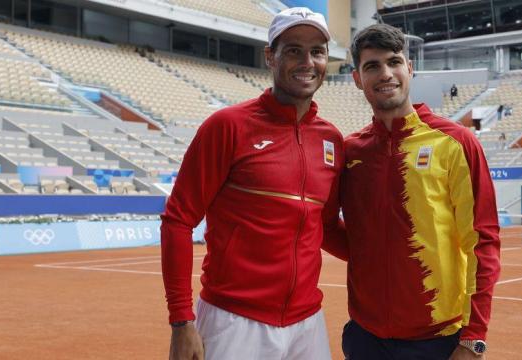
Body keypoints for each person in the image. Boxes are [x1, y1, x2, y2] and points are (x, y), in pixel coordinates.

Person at [161, 7, 344, 360]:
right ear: (269, 57)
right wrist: (181, 320)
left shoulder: (332, 140)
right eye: (293, 50)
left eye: (317, 51)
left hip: (307, 323)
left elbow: (325, 227)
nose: (307, 61)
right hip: (234, 321)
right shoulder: (227, 126)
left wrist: (392, 256)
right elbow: (178, 221)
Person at [324, 24, 501, 360]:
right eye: (372, 66)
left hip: (438, 340)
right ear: (357, 78)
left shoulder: (455, 142)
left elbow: (483, 241)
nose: (386, 73)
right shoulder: (351, 151)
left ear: (410, 68)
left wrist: (474, 337)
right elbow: (328, 227)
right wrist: (372, 255)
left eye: (394, 62)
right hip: (365, 337)